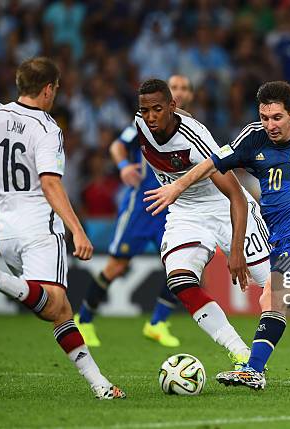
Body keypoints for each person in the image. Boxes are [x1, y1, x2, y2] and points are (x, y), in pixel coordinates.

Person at [145, 81, 290, 389]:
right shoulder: (253, 138)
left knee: (272, 295)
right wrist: (177, 186)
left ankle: (252, 368)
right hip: (278, 240)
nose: (270, 125)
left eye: (277, 118)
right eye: (264, 117)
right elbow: (212, 163)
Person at [0, 57, 125, 400]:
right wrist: (76, 229)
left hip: (6, 231)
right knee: (54, 305)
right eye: (56, 88)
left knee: (60, 312)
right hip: (39, 229)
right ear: (48, 89)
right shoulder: (47, 129)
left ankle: (101, 386)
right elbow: (50, 184)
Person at [135, 78, 274, 368]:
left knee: (279, 289)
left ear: (172, 107)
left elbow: (235, 195)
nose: (150, 117)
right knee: (180, 280)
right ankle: (240, 352)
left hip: (225, 208)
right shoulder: (139, 123)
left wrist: (235, 251)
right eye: (145, 110)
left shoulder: (195, 140)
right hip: (186, 213)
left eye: (157, 110)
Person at [76, 75, 194, 348]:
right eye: (175, 86)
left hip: (173, 208)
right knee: (118, 265)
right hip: (142, 205)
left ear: (188, 97)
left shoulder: (193, 127)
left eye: (185, 88)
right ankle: (83, 319)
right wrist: (123, 167)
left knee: (181, 266)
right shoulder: (144, 122)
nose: (180, 91)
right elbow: (117, 146)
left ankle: (158, 323)